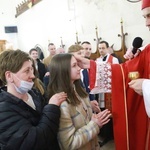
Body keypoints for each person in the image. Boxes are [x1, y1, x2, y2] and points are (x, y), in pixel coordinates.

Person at [74, 17, 150, 150]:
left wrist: (145, 86)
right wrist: (92, 65)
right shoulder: (147, 50)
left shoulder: (114, 58)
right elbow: (123, 71)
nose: (147, 22)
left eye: (149, 15)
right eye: (144, 17)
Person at [0, 49, 67, 150]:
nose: (33, 75)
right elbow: (35, 142)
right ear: (9, 76)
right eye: (27, 71)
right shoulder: (3, 110)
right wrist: (52, 107)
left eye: (32, 69)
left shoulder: (34, 93)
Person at [47, 53, 111, 150]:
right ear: (63, 70)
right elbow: (69, 144)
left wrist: (91, 112)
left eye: (77, 64)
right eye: (74, 65)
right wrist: (95, 124)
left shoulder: (79, 91)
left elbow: (85, 121)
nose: (79, 68)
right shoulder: (62, 103)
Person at [68, 44, 100, 113]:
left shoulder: (84, 69)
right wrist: (88, 103)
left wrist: (92, 99)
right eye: (79, 53)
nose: (82, 55)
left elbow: (88, 85)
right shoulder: (70, 72)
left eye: (83, 53)